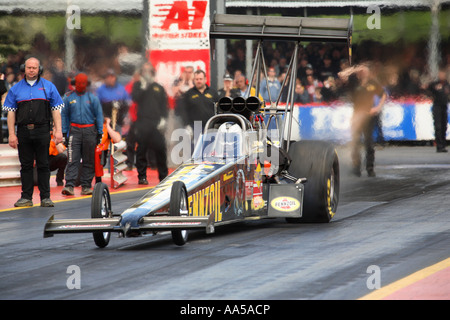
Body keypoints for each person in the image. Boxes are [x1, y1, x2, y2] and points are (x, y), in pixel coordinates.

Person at [2, 57, 63, 207]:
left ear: (39, 69)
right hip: (23, 131)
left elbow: (56, 111)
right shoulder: (15, 89)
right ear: (24, 68)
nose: (31, 70)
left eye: (34, 68)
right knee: (26, 165)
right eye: (29, 67)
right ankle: (26, 197)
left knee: (43, 164)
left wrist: (58, 131)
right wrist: (11, 134)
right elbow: (11, 113)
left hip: (42, 130)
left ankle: (45, 197)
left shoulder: (49, 87)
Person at [339, 63, 386, 177]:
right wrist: (354, 69)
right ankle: (356, 167)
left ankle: (370, 167)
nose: (363, 73)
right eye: (361, 71)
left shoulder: (373, 83)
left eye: (365, 71)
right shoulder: (353, 83)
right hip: (356, 115)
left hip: (368, 116)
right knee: (355, 142)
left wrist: (378, 107)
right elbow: (341, 75)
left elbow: (383, 94)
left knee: (369, 143)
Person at [61, 73, 103, 196]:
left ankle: (86, 185)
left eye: (83, 83)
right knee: (72, 158)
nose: (81, 85)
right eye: (78, 83)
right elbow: (64, 116)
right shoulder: (68, 98)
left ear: (86, 84)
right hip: (75, 130)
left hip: (90, 131)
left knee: (88, 159)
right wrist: (64, 132)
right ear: (75, 84)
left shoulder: (92, 98)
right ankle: (69, 185)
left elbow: (99, 115)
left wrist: (100, 132)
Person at [131, 62, 169, 184]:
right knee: (141, 150)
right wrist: (143, 86)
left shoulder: (158, 87)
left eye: (149, 71)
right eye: (145, 71)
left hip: (156, 123)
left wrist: (164, 119)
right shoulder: (138, 85)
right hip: (142, 123)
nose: (147, 73)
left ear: (152, 73)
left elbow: (164, 105)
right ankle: (142, 177)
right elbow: (135, 98)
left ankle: (163, 177)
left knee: (161, 149)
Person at [96, 69, 130, 134]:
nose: (110, 79)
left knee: (117, 140)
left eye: (112, 77)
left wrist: (125, 117)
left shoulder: (121, 88)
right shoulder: (101, 89)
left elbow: (128, 102)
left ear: (115, 78)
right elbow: (97, 104)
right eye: (108, 77)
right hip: (106, 119)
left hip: (118, 120)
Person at [425, 69, 450, 153]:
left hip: (444, 107)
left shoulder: (447, 85)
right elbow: (426, 89)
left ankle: (443, 144)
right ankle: (439, 146)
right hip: (437, 107)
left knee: (444, 126)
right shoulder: (434, 84)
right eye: (440, 74)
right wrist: (430, 96)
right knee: (438, 126)